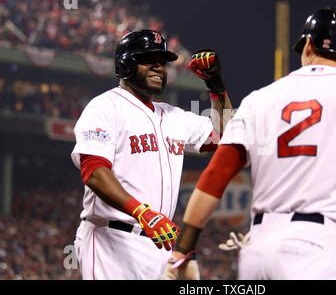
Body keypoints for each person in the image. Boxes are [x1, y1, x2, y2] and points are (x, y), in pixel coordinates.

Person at [162, 7, 336, 280]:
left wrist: (184, 248)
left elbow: (215, 177)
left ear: (308, 45)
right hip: (316, 246)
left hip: (258, 249)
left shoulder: (260, 98)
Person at [70, 29, 233, 279]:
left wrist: (215, 85)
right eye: (149, 60)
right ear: (125, 65)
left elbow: (225, 135)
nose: (159, 67)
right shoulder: (105, 107)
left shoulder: (173, 116)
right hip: (111, 240)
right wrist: (141, 211)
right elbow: (93, 171)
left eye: (162, 62)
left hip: (159, 241)